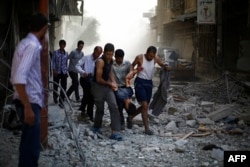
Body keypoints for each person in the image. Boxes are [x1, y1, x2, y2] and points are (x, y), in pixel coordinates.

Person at [10, 12, 49, 167]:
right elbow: (19, 78)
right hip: (29, 102)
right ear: (44, 28)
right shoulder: (32, 46)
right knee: (31, 147)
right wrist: (27, 107)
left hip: (27, 100)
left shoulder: (24, 43)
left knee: (28, 144)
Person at [127, 46, 171, 135]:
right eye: (149, 56)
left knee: (145, 106)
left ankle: (131, 116)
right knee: (144, 105)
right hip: (140, 82)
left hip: (149, 83)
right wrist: (134, 71)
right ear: (146, 53)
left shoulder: (155, 58)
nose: (151, 58)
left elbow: (162, 65)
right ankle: (147, 128)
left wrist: (166, 67)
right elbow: (132, 65)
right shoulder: (140, 57)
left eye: (152, 56)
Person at [91, 43, 123, 141]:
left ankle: (115, 132)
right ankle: (96, 126)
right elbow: (98, 78)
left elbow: (109, 72)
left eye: (111, 54)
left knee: (114, 106)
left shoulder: (111, 60)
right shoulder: (100, 61)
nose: (109, 56)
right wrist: (110, 84)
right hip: (98, 86)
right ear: (104, 53)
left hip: (107, 86)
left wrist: (113, 82)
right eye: (107, 54)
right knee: (100, 108)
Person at [75, 46, 103, 121]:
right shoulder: (86, 58)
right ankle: (89, 114)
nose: (98, 55)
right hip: (85, 78)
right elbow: (77, 66)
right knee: (90, 95)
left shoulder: (99, 60)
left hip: (93, 80)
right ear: (94, 51)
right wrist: (83, 72)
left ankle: (83, 108)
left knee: (88, 95)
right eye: (97, 53)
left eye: (99, 54)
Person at [112, 49, 137, 130]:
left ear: (123, 57)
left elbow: (131, 72)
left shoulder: (127, 63)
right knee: (119, 106)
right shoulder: (111, 64)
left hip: (125, 87)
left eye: (121, 58)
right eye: (118, 58)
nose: (119, 60)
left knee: (128, 106)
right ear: (115, 57)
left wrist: (131, 74)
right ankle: (121, 122)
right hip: (115, 88)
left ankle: (129, 118)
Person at [52, 39, 68, 107]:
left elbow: (66, 63)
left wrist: (66, 71)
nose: (62, 46)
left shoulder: (66, 53)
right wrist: (54, 70)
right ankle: (55, 98)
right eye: (61, 45)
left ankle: (61, 99)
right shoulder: (55, 52)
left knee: (63, 87)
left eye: (63, 45)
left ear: (64, 46)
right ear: (59, 45)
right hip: (57, 72)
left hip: (63, 72)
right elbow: (53, 62)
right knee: (55, 85)